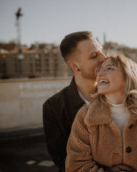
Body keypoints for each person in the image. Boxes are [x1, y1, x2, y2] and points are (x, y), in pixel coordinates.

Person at [43, 31, 106, 172]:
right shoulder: (53, 107)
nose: (104, 58)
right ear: (75, 66)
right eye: (94, 56)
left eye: (102, 51)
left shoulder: (119, 94)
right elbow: (63, 161)